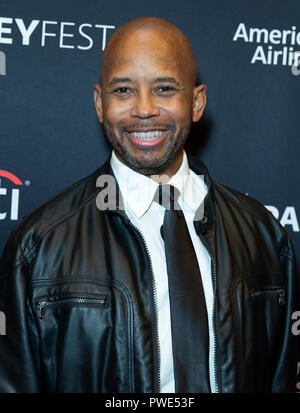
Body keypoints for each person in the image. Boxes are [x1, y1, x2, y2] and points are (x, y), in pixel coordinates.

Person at [0, 16, 298, 393]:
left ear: (197, 101)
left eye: (164, 89)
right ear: (99, 103)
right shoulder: (39, 244)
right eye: (123, 90)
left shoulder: (264, 236)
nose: (143, 109)